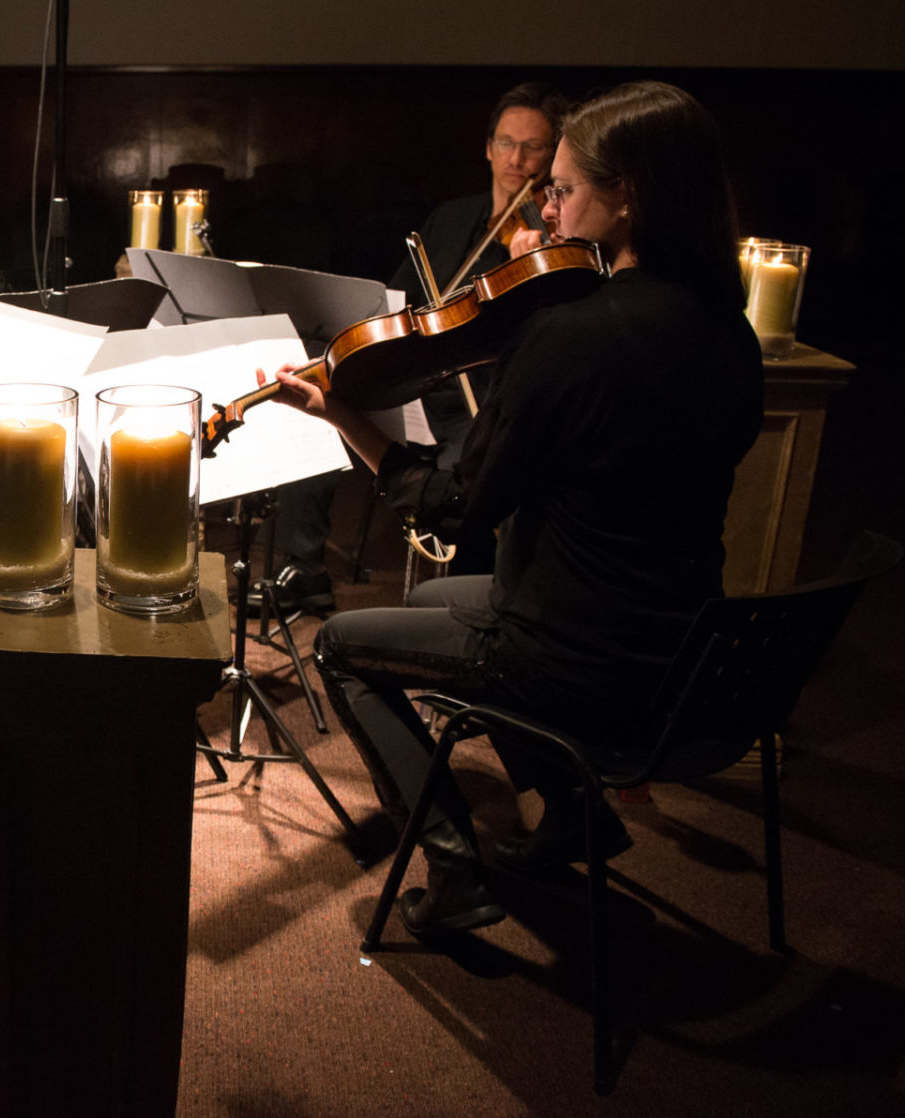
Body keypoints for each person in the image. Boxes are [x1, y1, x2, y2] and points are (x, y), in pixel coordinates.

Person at [269, 82, 762, 938]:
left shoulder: (571, 335)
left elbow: (451, 511)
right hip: (682, 644)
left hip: (575, 655)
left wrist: (346, 416)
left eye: (564, 189)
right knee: (428, 602)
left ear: (627, 199)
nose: (548, 206)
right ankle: (575, 817)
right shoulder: (731, 328)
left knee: (344, 647)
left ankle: (454, 869)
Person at [260, 84, 570, 612]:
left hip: (475, 396)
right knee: (314, 415)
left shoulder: (547, 237)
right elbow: (395, 302)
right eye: (506, 143)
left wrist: (532, 269)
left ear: (553, 156)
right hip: (415, 380)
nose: (517, 160)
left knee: (470, 477)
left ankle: (470, 607)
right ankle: (305, 570)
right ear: (488, 148)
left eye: (534, 148)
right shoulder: (451, 219)